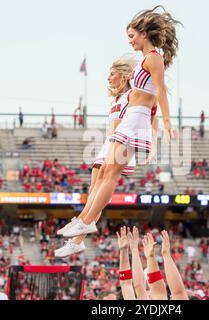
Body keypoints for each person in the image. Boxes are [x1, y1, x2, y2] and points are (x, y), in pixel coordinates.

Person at [58, 6, 179, 242]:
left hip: (137, 120)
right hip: (130, 119)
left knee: (111, 174)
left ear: (144, 34)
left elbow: (161, 91)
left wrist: (166, 121)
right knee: (104, 172)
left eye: (132, 36)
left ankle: (86, 222)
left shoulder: (154, 58)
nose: (130, 41)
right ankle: (83, 219)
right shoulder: (146, 59)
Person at [55, 57, 140, 257]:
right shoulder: (117, 99)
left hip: (122, 141)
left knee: (103, 186)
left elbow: (147, 116)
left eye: (112, 73)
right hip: (110, 142)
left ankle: (82, 224)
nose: (108, 78)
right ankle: (78, 238)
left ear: (124, 75)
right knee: (94, 190)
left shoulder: (133, 96)